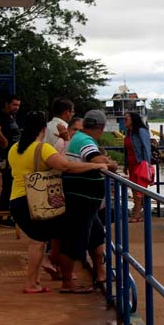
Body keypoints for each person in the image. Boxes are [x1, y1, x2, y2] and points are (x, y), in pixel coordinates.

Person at [7, 111, 107, 294]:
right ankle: (34, 281)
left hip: (16, 201)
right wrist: (96, 165)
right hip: (34, 202)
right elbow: (66, 166)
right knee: (39, 241)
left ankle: (46, 273)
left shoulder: (14, 148)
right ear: (43, 129)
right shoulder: (42, 149)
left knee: (48, 235)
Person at [60, 110, 118, 293]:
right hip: (81, 198)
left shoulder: (78, 137)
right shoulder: (85, 141)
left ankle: (101, 273)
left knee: (96, 236)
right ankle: (68, 282)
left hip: (86, 200)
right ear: (100, 127)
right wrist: (110, 163)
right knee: (74, 241)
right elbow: (96, 158)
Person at [0, 94, 21, 227]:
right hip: (6, 158)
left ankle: (9, 216)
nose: (17, 108)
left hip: (13, 158)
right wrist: (4, 142)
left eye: (18, 105)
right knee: (8, 187)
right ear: (7, 104)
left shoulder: (11, 117)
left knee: (11, 186)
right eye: (14, 105)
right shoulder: (1, 117)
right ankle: (4, 217)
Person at [122, 112, 152, 222]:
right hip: (131, 164)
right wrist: (125, 165)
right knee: (134, 190)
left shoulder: (141, 131)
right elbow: (127, 150)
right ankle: (142, 211)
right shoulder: (128, 133)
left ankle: (137, 215)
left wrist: (147, 164)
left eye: (126, 119)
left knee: (138, 191)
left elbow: (146, 147)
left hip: (140, 164)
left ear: (133, 119)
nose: (124, 120)